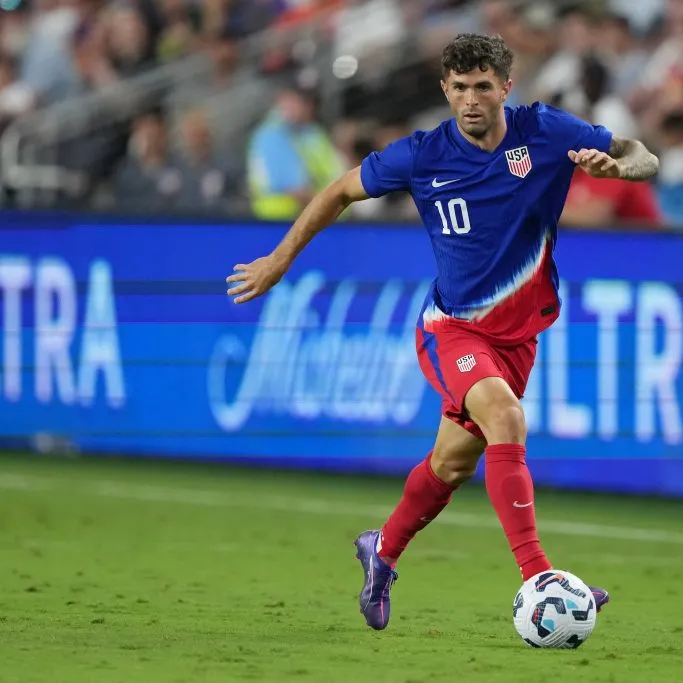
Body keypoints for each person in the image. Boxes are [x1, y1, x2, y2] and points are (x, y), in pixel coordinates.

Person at [224, 33, 659, 631]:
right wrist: (279, 259)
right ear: (445, 91)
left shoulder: (547, 131)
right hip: (451, 329)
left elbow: (643, 154)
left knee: (451, 466)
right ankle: (541, 579)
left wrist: (620, 168)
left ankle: (382, 550)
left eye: (483, 86)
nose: (472, 99)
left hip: (517, 338)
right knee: (505, 419)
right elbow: (339, 190)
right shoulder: (423, 155)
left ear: (505, 87)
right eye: (459, 88)